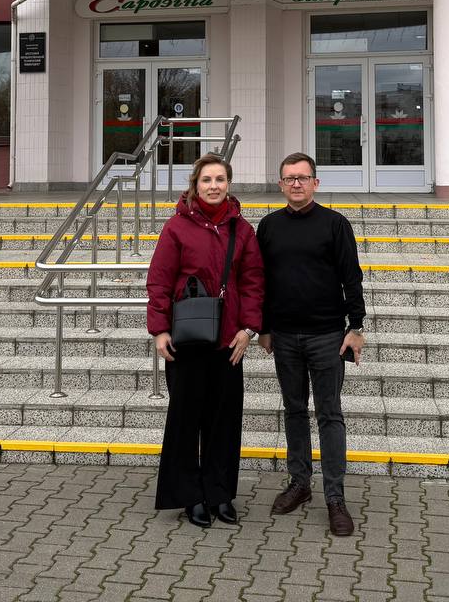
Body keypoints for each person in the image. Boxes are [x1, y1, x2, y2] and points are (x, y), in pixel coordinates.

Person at [146, 153, 265, 528]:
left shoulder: (242, 230)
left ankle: (220, 493)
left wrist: (249, 329)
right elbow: (160, 281)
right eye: (206, 180)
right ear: (195, 186)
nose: (214, 186)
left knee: (224, 421)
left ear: (229, 184)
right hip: (186, 340)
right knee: (185, 420)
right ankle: (190, 495)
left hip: (229, 342)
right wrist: (159, 329)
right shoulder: (176, 228)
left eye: (220, 179)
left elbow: (253, 282)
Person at [257, 151, 366, 537]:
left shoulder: (335, 224)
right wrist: (263, 328)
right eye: (289, 178)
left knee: (329, 414)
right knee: (294, 410)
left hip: (327, 337)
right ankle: (299, 484)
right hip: (284, 336)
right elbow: (260, 280)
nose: (296, 184)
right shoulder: (268, 226)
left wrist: (356, 326)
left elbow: (351, 277)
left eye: (303, 177)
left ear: (315, 183)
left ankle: (335, 497)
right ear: (280, 184)